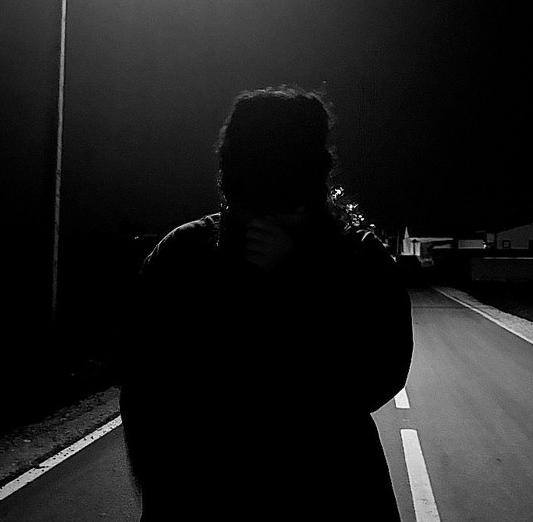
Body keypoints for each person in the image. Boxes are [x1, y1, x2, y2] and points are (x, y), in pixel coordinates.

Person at [120, 84, 413, 521]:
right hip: (320, 487)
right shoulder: (184, 254)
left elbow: (377, 375)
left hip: (304, 488)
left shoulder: (356, 258)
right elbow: (143, 379)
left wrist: (293, 279)